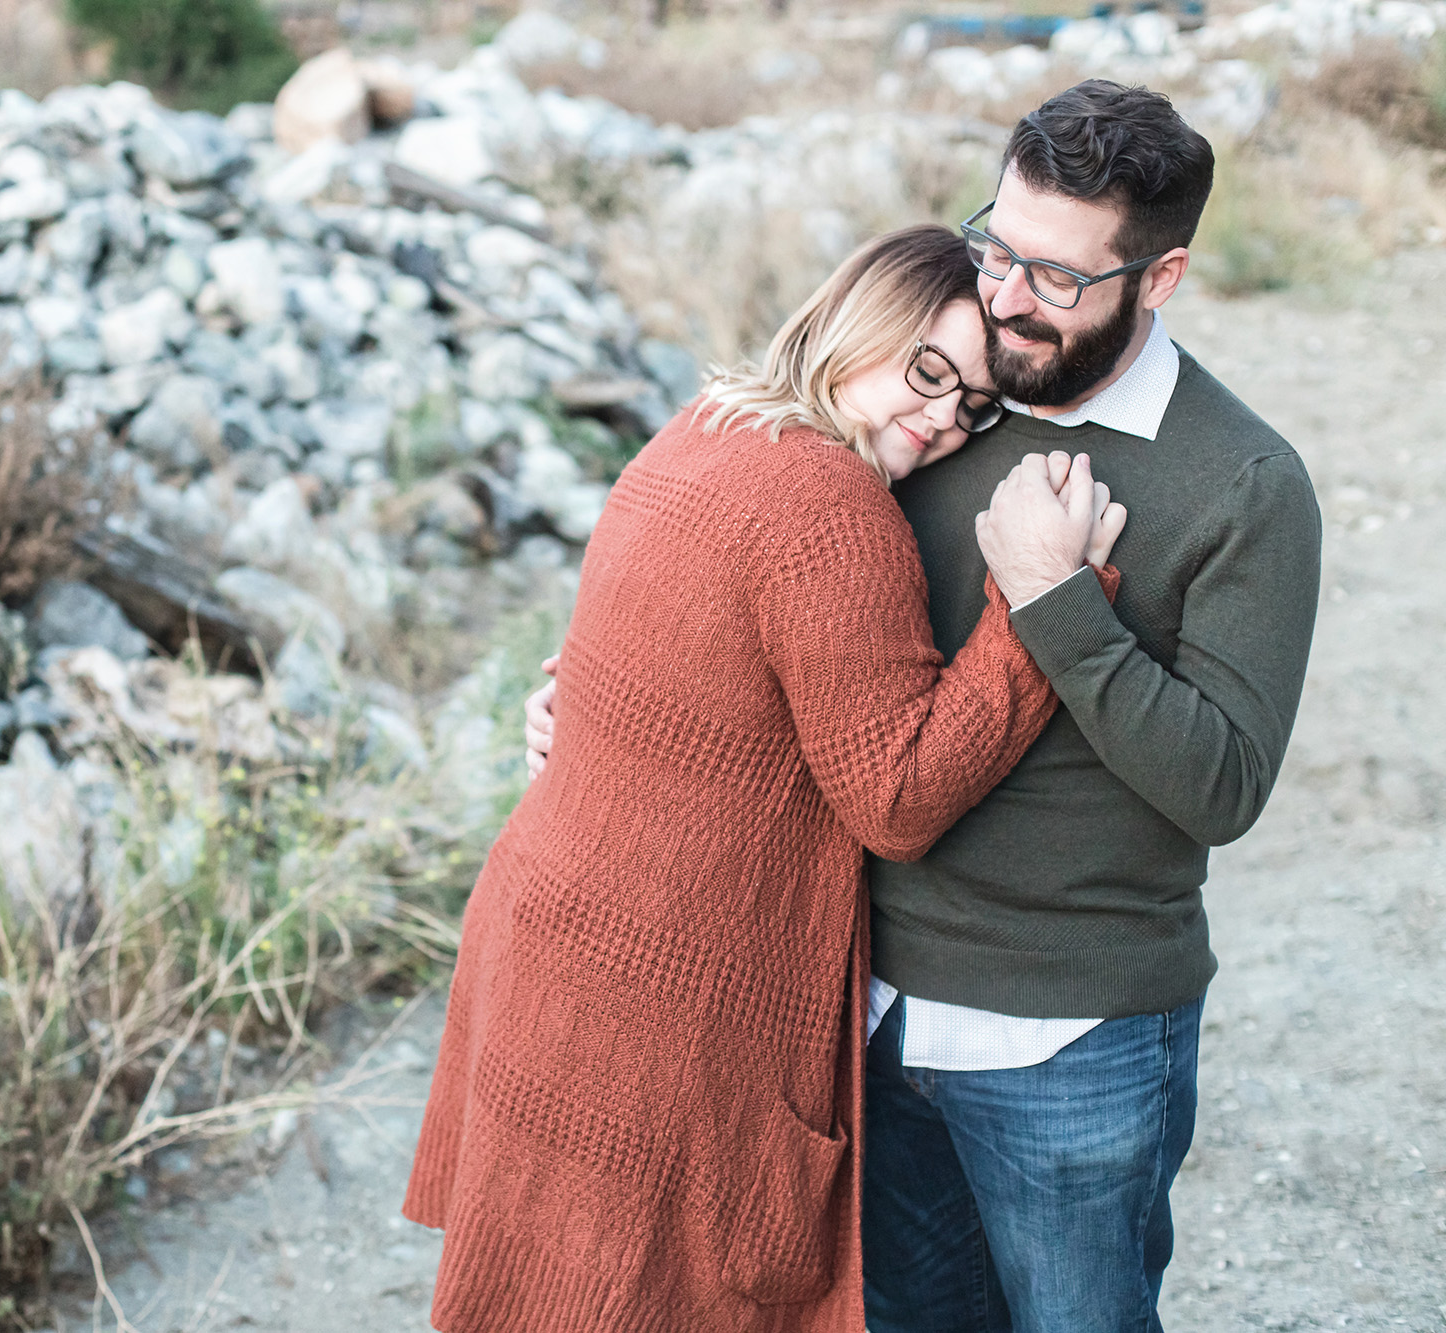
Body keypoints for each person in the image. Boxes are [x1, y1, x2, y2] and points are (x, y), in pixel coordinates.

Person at [524, 81, 1323, 1332]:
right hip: (859, 1007)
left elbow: (1222, 785)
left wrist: (1060, 604)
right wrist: (617, 709)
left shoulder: (1243, 483)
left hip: (1071, 1032)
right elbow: (786, 626)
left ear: (1157, 279)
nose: (1005, 295)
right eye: (996, 244)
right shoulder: (931, 400)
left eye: (1054, 278)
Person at [403, 224, 1124, 1333]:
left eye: (973, 405)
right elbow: (897, 798)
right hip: (652, 1002)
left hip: (545, 950)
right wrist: (1041, 603)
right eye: (927, 372)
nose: (941, 418)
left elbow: (663, 659)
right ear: (852, 323)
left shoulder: (699, 429)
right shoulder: (831, 504)